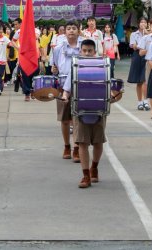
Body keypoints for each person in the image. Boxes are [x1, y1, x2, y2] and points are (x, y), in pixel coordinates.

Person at [60, 39, 106, 188]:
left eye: (90, 51)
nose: (86, 53)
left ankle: (95, 167)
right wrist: (65, 96)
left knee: (98, 142)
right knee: (82, 143)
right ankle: (85, 175)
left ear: (95, 52)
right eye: (84, 51)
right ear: (80, 51)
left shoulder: (103, 66)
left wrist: (113, 94)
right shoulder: (75, 67)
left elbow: (109, 85)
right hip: (80, 110)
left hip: (99, 110)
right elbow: (67, 87)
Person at [51, 21, 82, 162]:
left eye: (74, 28)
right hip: (62, 84)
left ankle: (76, 148)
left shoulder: (84, 46)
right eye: (68, 28)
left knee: (77, 118)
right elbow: (55, 66)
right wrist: (54, 69)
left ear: (78, 31)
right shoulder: (58, 48)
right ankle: (66, 146)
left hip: (80, 84)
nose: (71, 31)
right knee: (64, 119)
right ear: (64, 31)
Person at [139, 17, 152, 118]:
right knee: (150, 85)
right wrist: (151, 50)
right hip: (150, 63)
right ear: (150, 26)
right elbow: (140, 52)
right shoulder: (146, 38)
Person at [127, 18, 149, 111]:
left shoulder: (149, 34)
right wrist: (139, 45)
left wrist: (146, 34)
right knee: (139, 81)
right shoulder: (133, 34)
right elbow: (134, 46)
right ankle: (139, 102)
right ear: (138, 23)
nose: (143, 24)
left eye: (144, 22)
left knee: (145, 79)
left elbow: (150, 44)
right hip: (137, 56)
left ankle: (146, 101)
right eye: (141, 22)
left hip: (147, 55)